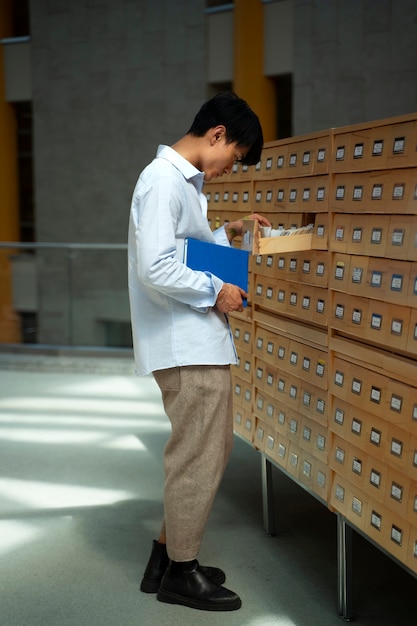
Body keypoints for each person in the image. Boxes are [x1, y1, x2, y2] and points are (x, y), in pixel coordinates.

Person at [127, 92, 271, 612]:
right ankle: (182, 576)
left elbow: (181, 249)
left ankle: (165, 561)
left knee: (202, 453)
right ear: (216, 134)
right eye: (234, 155)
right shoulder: (164, 179)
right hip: (185, 345)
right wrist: (219, 290)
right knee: (198, 456)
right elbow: (157, 267)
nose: (231, 168)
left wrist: (224, 233)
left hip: (192, 342)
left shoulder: (182, 182)